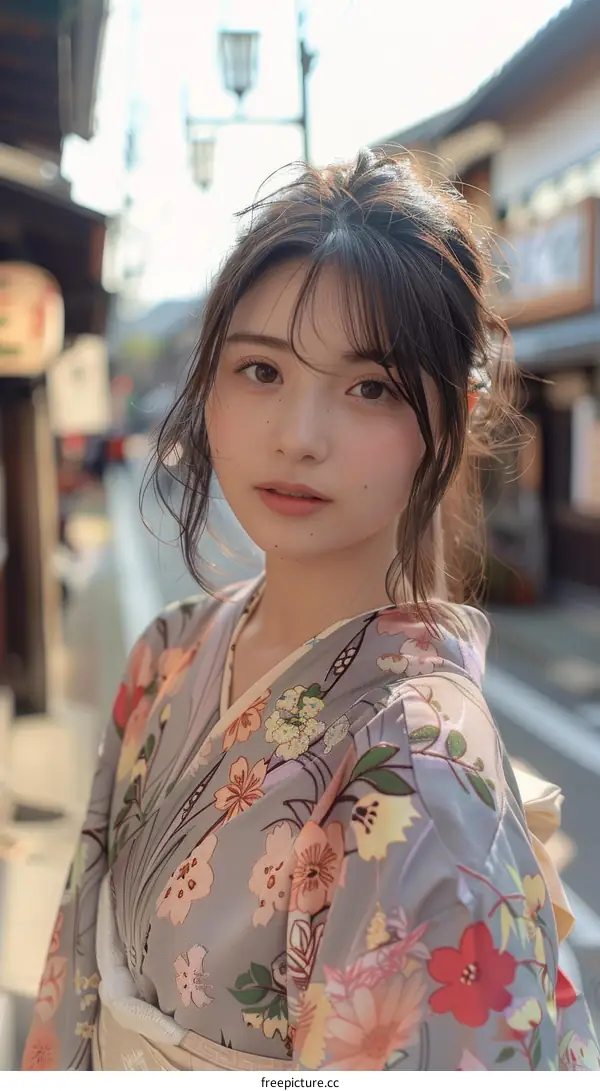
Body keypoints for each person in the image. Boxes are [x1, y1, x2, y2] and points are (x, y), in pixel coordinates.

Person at [22, 151, 599, 1072]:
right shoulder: (168, 649)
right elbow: (73, 982)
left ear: (449, 423)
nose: (299, 435)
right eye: (261, 370)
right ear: (208, 385)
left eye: (371, 388)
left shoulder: (420, 767)